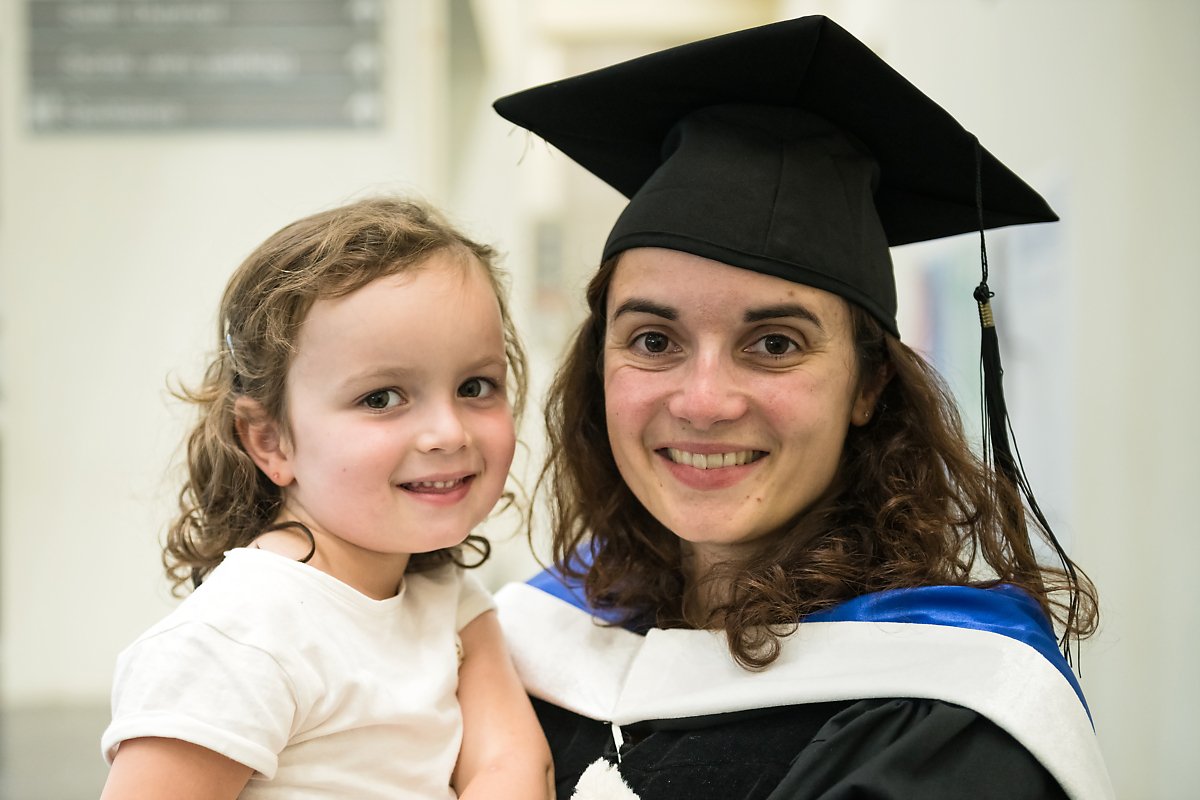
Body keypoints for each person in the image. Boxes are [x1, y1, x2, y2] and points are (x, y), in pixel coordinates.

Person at [489, 16, 1113, 800]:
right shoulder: (526, 644)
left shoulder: (943, 719)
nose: (704, 400)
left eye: (775, 344)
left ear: (869, 385)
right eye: (653, 340)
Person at [100, 197, 553, 799]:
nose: (449, 433)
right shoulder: (239, 638)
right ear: (271, 441)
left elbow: (512, 765)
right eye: (382, 398)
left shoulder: (446, 598)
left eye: (475, 386)